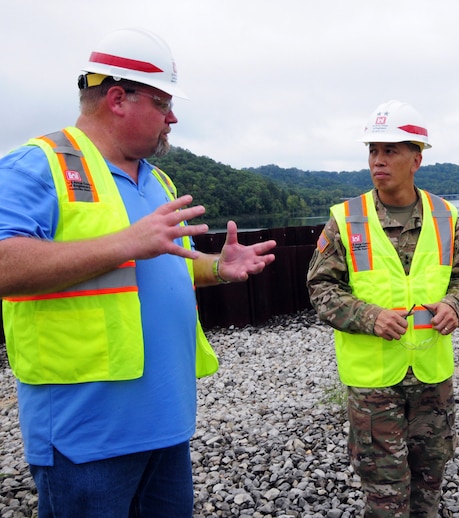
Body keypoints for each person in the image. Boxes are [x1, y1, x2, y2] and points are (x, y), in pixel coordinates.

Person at [0, 28, 276, 517]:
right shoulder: (35, 166)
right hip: (86, 437)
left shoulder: (157, 179)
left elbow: (156, 271)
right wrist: (125, 242)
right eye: (162, 102)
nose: (172, 117)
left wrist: (216, 268)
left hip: (167, 426)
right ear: (117, 98)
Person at [306, 100, 459, 517]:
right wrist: (368, 317)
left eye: (390, 151)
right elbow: (320, 288)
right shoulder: (346, 219)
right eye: (373, 151)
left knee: (428, 488)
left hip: (431, 380)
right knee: (386, 498)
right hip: (374, 385)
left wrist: (456, 306)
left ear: (416, 159)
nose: (378, 161)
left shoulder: (445, 215)